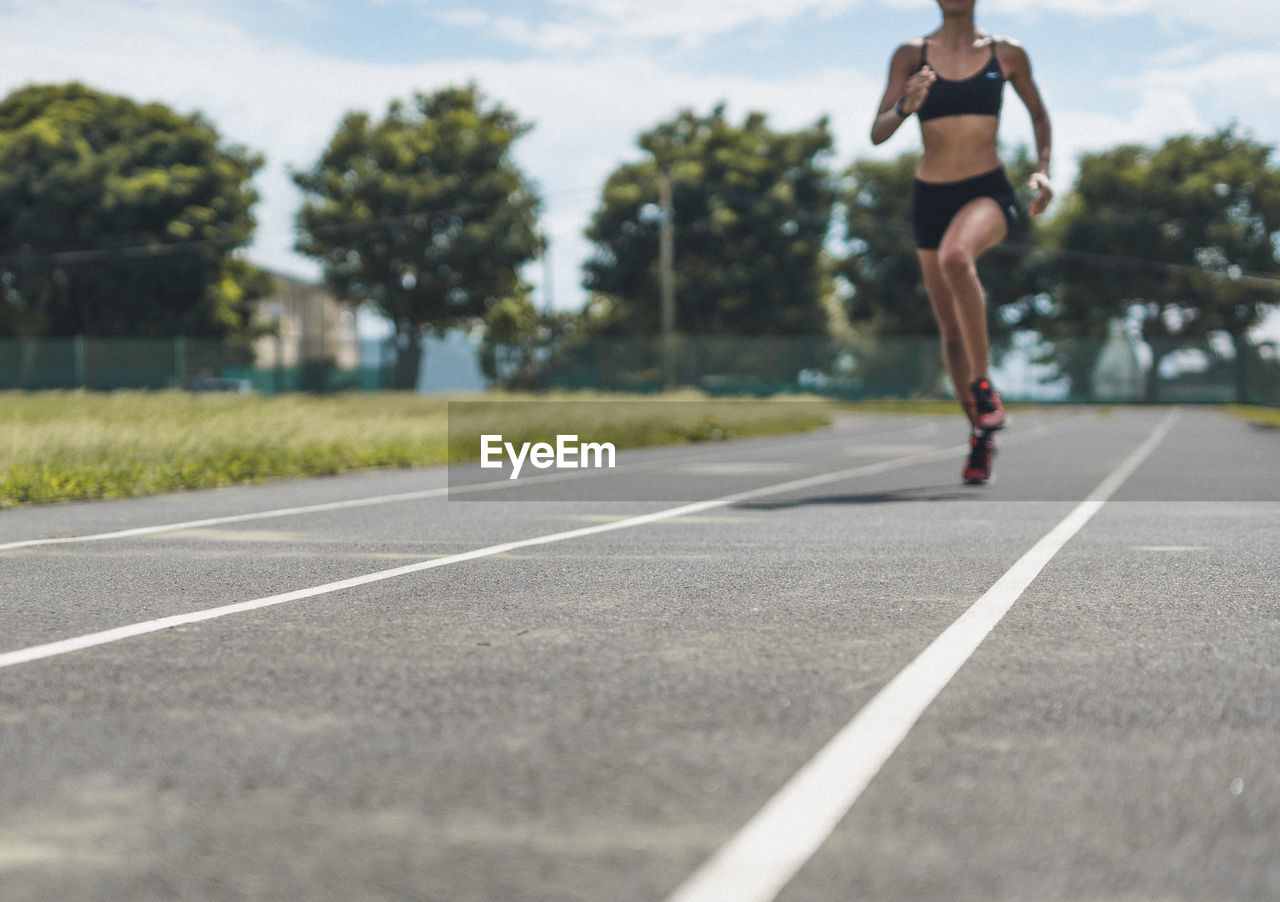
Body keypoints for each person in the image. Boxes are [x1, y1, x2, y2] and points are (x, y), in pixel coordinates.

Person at [870, 0, 1052, 484]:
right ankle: (980, 434)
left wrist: (1043, 171)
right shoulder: (911, 54)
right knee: (950, 334)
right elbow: (878, 131)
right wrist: (906, 105)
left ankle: (985, 386)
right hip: (931, 197)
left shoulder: (1006, 53)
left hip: (987, 191)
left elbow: (1039, 115)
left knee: (956, 258)